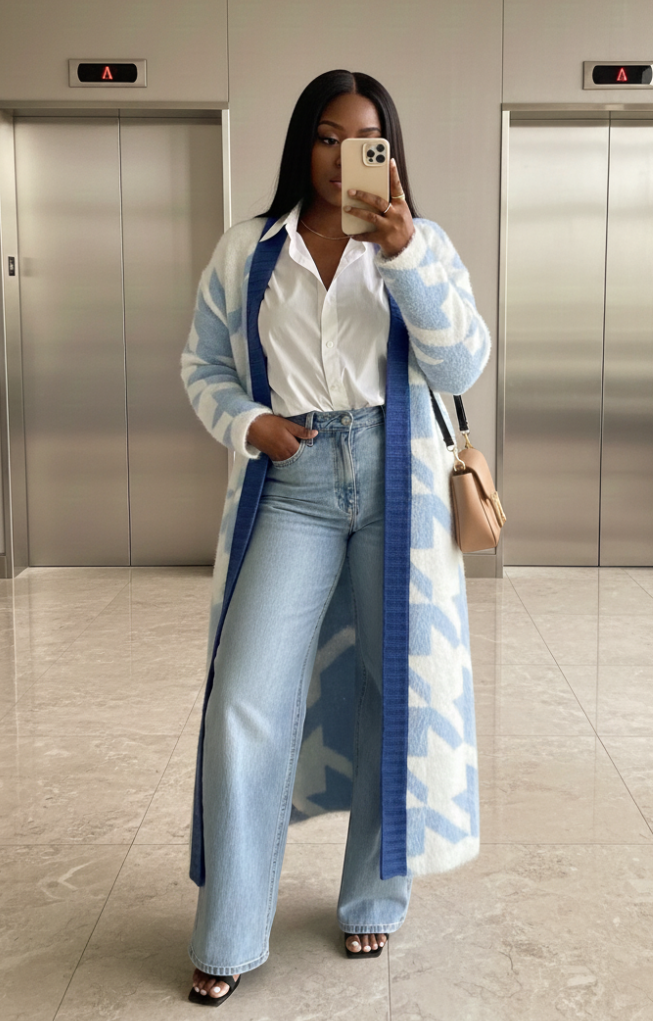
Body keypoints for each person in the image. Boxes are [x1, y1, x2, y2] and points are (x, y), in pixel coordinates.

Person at [181, 69, 491, 1005]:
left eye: (363, 140)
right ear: (302, 144)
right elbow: (202, 365)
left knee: (389, 691)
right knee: (244, 698)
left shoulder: (421, 243)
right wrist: (251, 424)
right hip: (297, 482)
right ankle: (231, 930)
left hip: (400, 485)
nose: (340, 157)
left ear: (386, 153)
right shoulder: (248, 250)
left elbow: (461, 362)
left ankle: (373, 899)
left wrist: (403, 256)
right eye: (326, 136)